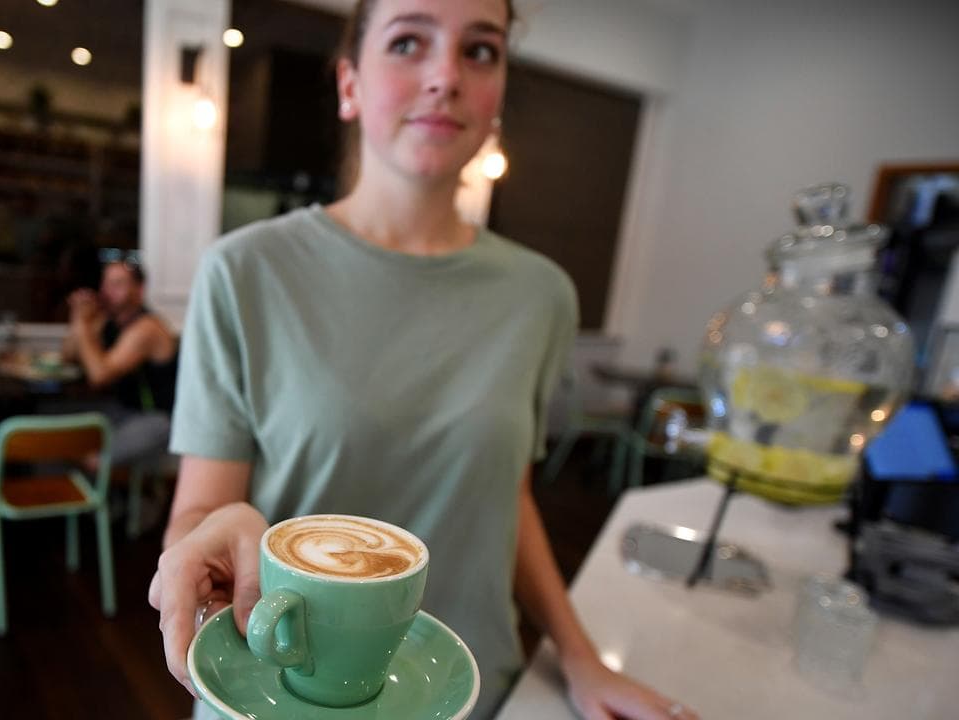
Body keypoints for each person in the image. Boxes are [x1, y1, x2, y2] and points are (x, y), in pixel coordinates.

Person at [148, 2, 699, 719]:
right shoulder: (246, 272)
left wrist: (579, 657)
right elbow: (201, 506)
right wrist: (201, 547)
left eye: (480, 51)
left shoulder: (540, 295)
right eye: (409, 42)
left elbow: (509, 498)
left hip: (469, 688)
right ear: (349, 84)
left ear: (500, 90)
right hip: (283, 690)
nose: (446, 76)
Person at [62, 259, 179, 466]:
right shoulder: (110, 321)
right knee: (68, 438)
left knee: (92, 461)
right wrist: (79, 318)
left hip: (156, 419)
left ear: (139, 289)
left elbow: (100, 375)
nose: (108, 291)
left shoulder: (147, 328)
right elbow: (69, 355)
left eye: (117, 284)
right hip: (124, 410)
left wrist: (82, 325)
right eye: (105, 284)